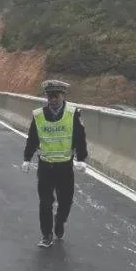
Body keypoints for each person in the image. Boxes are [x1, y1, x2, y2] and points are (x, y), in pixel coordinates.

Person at [21, 80, 88, 248]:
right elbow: (32, 138)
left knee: (66, 201)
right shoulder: (39, 115)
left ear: (62, 95)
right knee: (45, 202)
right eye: (50, 96)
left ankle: (60, 222)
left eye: (56, 96)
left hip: (65, 167)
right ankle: (46, 235)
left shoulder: (73, 114)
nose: (53, 99)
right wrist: (27, 159)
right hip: (45, 167)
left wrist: (81, 159)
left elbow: (80, 138)